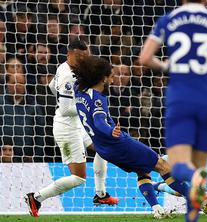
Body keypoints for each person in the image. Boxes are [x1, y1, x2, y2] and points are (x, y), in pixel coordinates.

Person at [138, 0, 207, 220]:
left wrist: (167, 66)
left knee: (178, 168)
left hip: (180, 95)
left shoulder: (168, 19)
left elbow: (145, 58)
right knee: (200, 164)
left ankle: (194, 176)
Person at [72, 55, 189, 219]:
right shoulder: (98, 99)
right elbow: (99, 122)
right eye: (111, 76)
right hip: (117, 143)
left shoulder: (78, 90)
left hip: (104, 149)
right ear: (103, 79)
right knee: (163, 165)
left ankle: (156, 208)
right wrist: (110, 131)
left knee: (142, 171)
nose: (113, 80)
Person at [24, 40, 118, 218]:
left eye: (86, 56)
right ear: (71, 53)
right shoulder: (67, 75)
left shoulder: (66, 68)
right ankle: (36, 197)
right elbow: (66, 109)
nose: (84, 59)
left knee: (103, 149)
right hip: (66, 128)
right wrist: (86, 106)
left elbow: (52, 87)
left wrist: (67, 100)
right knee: (79, 178)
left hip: (77, 124)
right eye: (81, 56)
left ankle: (101, 194)